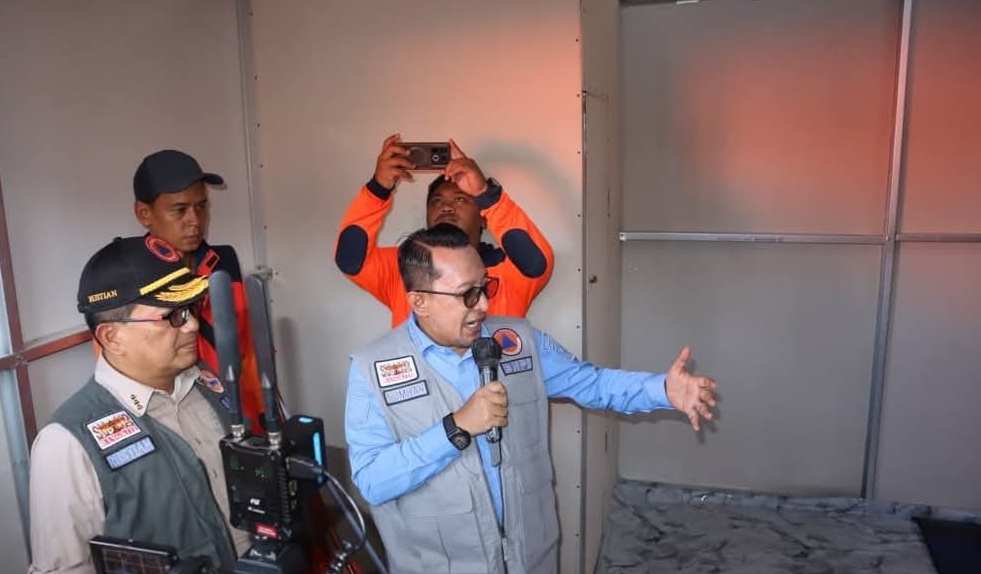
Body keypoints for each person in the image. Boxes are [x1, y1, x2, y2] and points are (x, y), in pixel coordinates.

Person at [344, 224, 719, 574]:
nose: (484, 305)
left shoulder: (518, 341)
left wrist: (661, 389)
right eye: (467, 294)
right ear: (419, 301)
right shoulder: (371, 368)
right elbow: (373, 481)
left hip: (531, 558)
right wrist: (456, 428)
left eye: (485, 287)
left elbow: (590, 383)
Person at [28, 236, 251, 573]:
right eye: (173, 316)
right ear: (112, 337)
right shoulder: (66, 443)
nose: (192, 324)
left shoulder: (207, 382)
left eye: (191, 309)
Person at [334, 134, 554, 327]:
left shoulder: (507, 272)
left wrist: (485, 194)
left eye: (460, 199)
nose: (447, 207)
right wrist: (378, 189)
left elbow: (537, 264)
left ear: (483, 218)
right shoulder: (405, 267)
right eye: (437, 201)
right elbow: (351, 261)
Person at [130, 149, 269, 432]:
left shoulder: (224, 262)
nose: (195, 220)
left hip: (242, 418)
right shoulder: (128, 281)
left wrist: (266, 413)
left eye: (201, 206)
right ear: (144, 213)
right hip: (181, 427)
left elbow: (248, 352)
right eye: (179, 210)